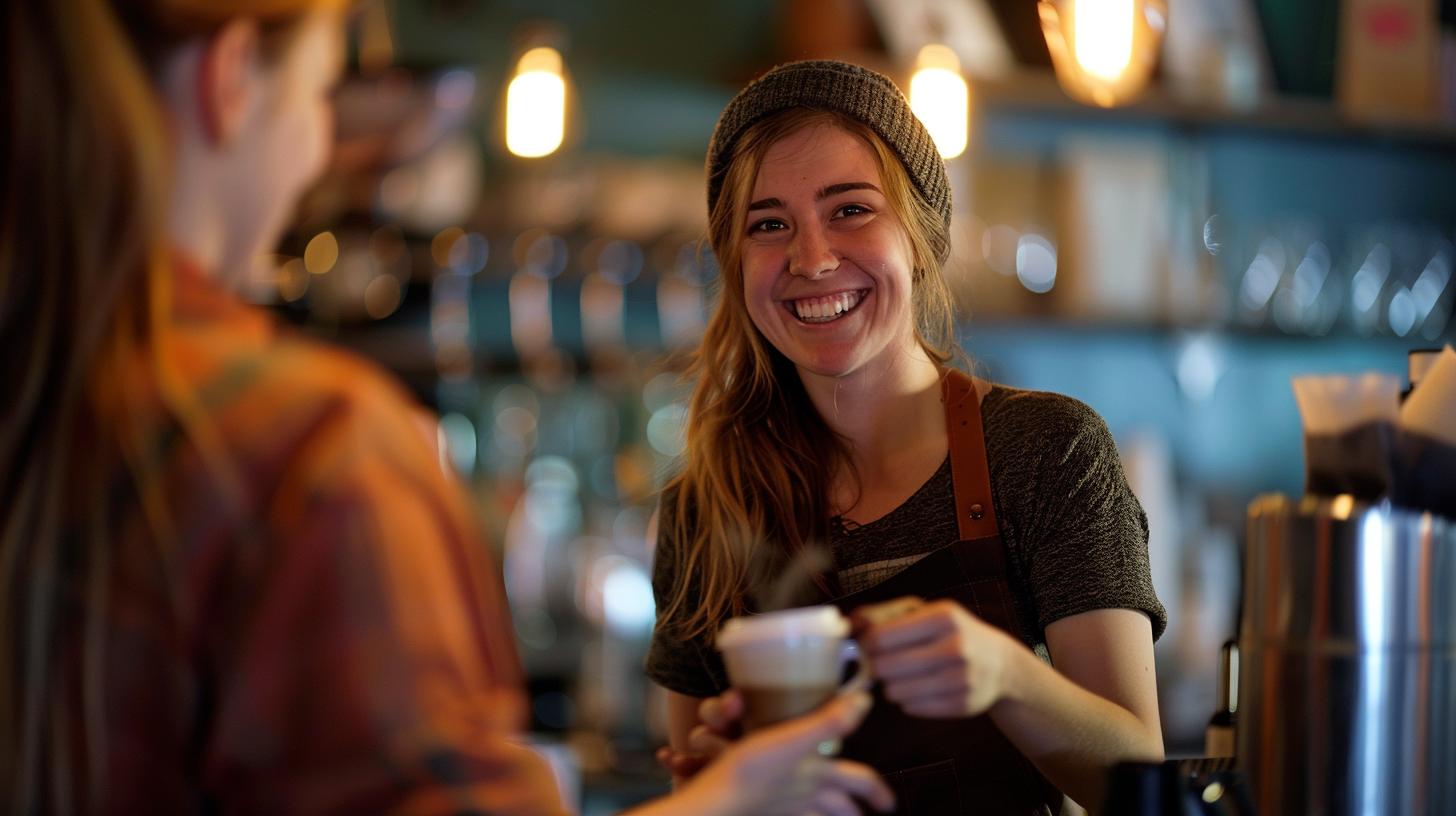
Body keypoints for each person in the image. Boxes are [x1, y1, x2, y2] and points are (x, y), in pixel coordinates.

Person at [0, 3, 895, 815]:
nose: (318, 153)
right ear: (229, 81)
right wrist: (729, 802)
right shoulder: (308, 451)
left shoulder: (53, 389)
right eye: (319, 96)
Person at [646, 60, 1168, 814]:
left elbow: (1134, 782)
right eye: (768, 224)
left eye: (851, 209)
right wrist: (726, 780)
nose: (813, 258)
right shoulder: (707, 507)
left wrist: (1009, 676)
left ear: (919, 237)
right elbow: (695, 785)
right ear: (734, 264)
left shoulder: (1044, 450)